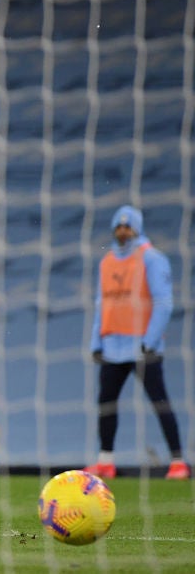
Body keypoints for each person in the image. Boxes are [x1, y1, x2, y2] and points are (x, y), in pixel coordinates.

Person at [82, 205, 190, 480]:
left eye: (128, 226)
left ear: (138, 229)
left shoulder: (151, 258)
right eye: (119, 226)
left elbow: (164, 304)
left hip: (144, 348)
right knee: (106, 403)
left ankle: (178, 461)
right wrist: (97, 341)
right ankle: (105, 461)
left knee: (159, 401)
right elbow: (101, 303)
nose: (123, 231)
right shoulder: (106, 262)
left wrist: (149, 341)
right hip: (113, 348)